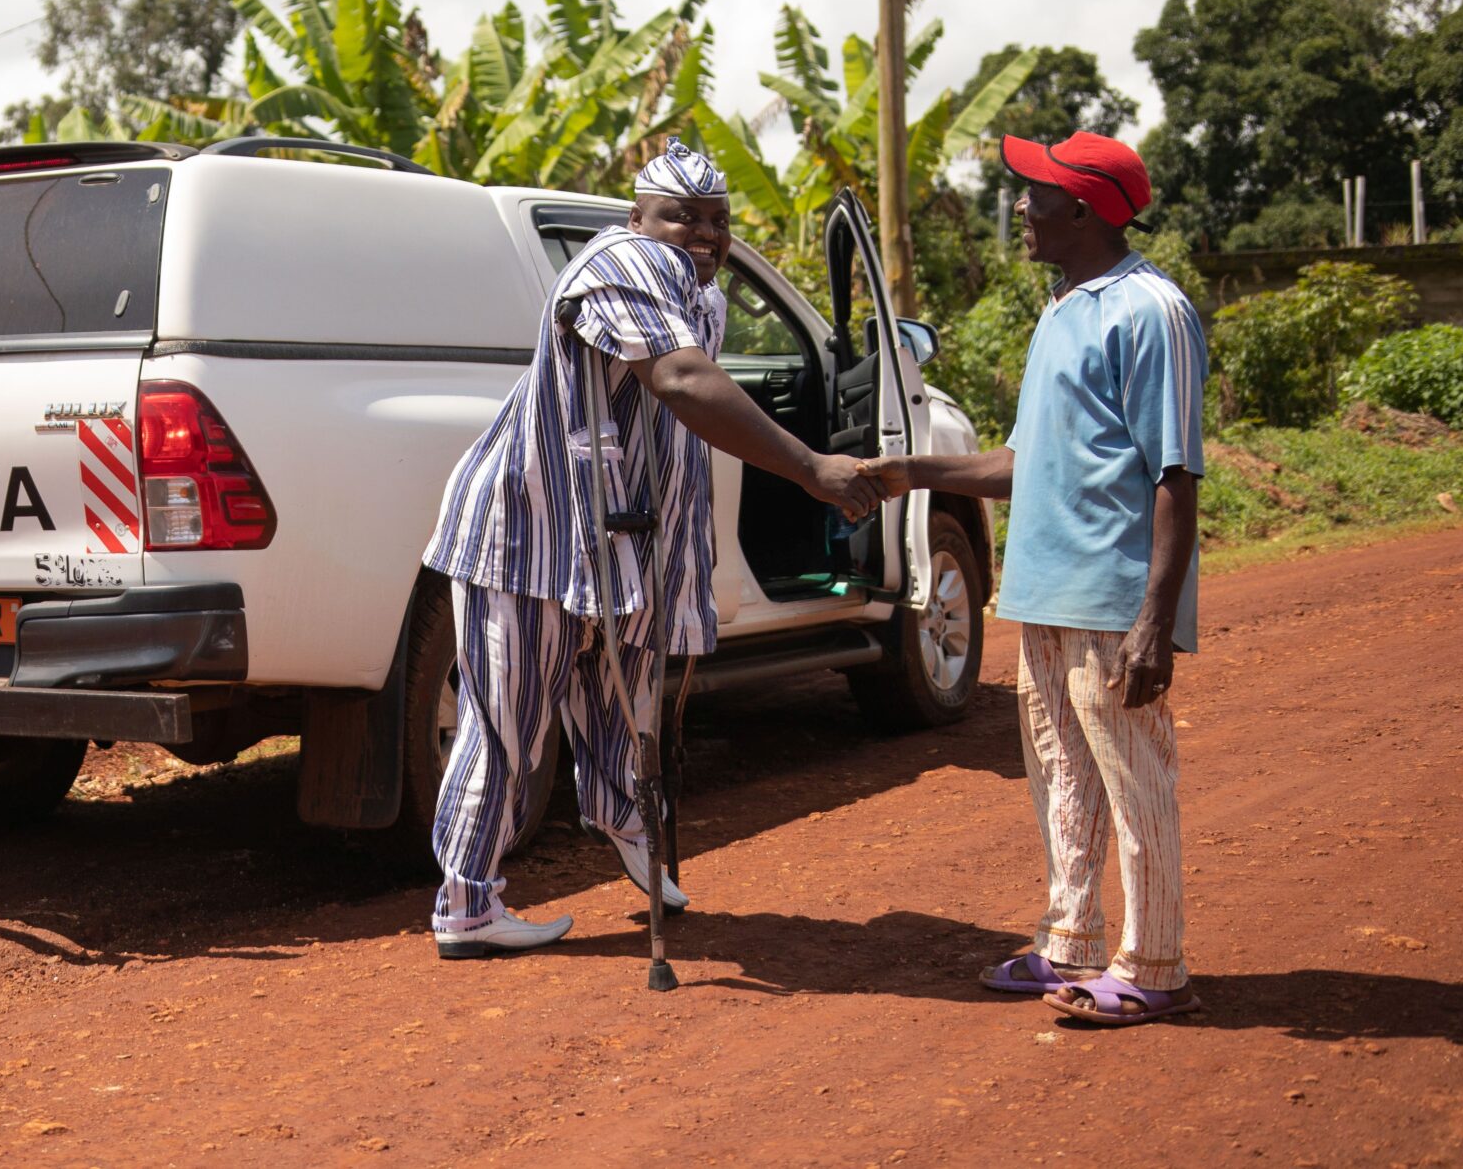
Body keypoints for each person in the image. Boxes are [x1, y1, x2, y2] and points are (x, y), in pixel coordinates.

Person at [422, 139, 882, 958]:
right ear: (638, 217)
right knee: (508, 721)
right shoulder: (626, 263)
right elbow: (681, 382)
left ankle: (628, 823)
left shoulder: (698, 292)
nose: (704, 234)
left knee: (620, 694)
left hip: (620, 533)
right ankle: (466, 905)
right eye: (682, 217)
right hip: (531, 530)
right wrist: (810, 465)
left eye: (717, 220)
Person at [861, 130, 1206, 1025]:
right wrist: (911, 474)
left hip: (1111, 593)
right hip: (1044, 589)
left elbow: (1176, 474)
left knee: (1133, 778)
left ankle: (1155, 961)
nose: (1020, 205)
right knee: (1061, 772)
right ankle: (1072, 941)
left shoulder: (1150, 310)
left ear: (1084, 208)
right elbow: (1025, 461)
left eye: (1037, 192)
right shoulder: (1061, 308)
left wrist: (1153, 618)